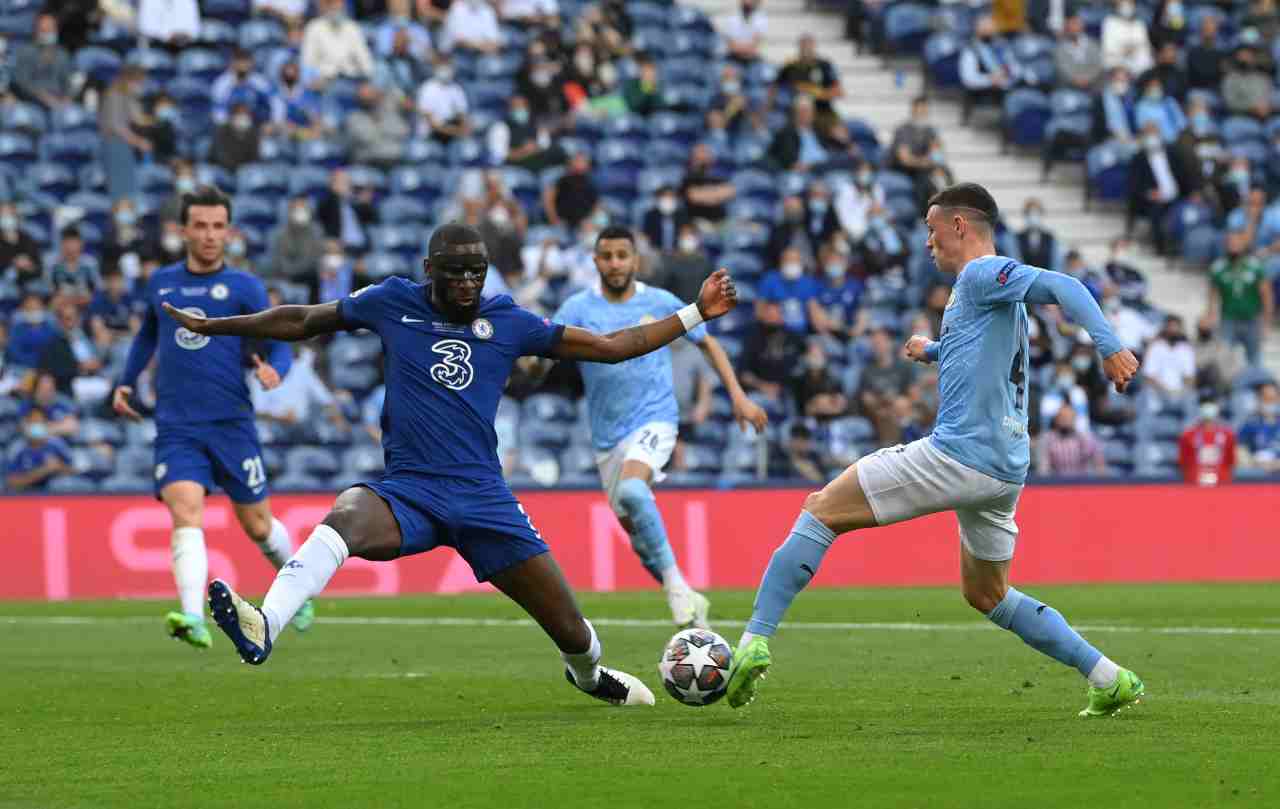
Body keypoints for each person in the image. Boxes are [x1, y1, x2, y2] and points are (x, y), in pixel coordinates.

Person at [162, 223, 742, 708]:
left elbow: (612, 346)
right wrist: (218, 329)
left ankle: (589, 677)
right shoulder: (393, 302)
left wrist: (696, 312)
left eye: (476, 272)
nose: (467, 282)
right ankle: (266, 624)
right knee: (346, 513)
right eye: (455, 272)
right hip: (409, 490)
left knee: (572, 632)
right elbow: (303, 320)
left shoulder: (508, 321)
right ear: (429, 269)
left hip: (484, 499)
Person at [725, 182, 1146, 718]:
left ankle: (753, 642)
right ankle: (1109, 678)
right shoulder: (986, 292)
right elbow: (986, 353)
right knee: (988, 594)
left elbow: (1067, 286)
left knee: (820, 510)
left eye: (931, 229)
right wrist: (934, 350)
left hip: (959, 455)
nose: (927, 242)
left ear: (959, 226)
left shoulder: (981, 273)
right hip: (1005, 469)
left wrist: (1110, 347)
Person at [110, 187, 311, 650]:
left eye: (218, 226)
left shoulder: (244, 288)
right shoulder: (161, 283)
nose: (209, 235)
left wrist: (276, 370)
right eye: (200, 225)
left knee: (258, 525)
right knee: (185, 511)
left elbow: (278, 342)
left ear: (228, 231)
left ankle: (298, 589)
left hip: (231, 424)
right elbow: (147, 335)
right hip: (177, 425)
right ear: (183, 230)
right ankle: (191, 616)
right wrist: (126, 381)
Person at [548, 226, 767, 626]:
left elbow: (708, 342)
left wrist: (738, 396)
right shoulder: (576, 308)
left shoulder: (660, 301)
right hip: (606, 438)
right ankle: (687, 600)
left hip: (655, 418)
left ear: (636, 260)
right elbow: (542, 350)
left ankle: (678, 591)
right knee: (642, 545)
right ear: (595, 261)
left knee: (633, 490)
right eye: (607, 256)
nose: (615, 263)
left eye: (622, 255)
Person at [1208, 228, 1273, 366]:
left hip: (1252, 319)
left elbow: (1267, 295)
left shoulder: (1255, 266)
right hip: (1228, 319)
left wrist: (1266, 322)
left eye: (1237, 242)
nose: (1233, 245)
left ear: (1244, 244)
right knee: (1224, 359)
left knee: (1255, 360)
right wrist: (1211, 315)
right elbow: (1213, 295)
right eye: (1230, 242)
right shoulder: (1218, 267)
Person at [5, 410, 73, 492]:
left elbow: (72, 471)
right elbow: (11, 482)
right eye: (33, 422)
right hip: (26, 493)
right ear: (25, 425)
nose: (36, 425)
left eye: (40, 422)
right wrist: (43, 470)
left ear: (46, 424)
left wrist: (58, 466)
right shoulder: (16, 448)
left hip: (55, 493)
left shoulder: (57, 444)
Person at [1036, 405, 1106, 476]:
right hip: (1056, 480)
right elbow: (1043, 469)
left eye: (1068, 417)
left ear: (1074, 419)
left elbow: (1100, 465)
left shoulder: (1086, 438)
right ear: (1056, 420)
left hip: (1082, 479)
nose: (1065, 420)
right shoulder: (1047, 439)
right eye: (1062, 417)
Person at [1179, 399, 1236, 485]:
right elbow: (1184, 461)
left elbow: (1230, 460)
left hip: (1221, 480)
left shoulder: (1228, 435)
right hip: (1195, 480)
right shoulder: (1188, 435)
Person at [1237, 382, 1280, 473]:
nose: (1269, 403)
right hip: (1257, 473)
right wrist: (1251, 462)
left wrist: (1276, 464)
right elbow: (1240, 448)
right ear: (1259, 400)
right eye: (1266, 399)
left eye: (1272, 399)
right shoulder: (1251, 423)